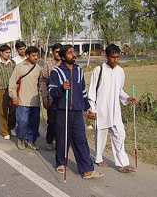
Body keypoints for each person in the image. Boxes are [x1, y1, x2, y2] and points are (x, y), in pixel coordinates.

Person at [49, 45, 104, 179]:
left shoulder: (79, 71)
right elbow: (52, 92)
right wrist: (62, 88)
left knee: (81, 140)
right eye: (70, 53)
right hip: (63, 110)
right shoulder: (56, 72)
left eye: (73, 52)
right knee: (63, 138)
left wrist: (88, 107)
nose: (73, 55)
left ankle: (86, 169)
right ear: (62, 57)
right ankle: (61, 163)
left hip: (77, 110)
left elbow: (82, 91)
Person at [87, 44, 136, 173]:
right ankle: (98, 158)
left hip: (115, 109)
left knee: (120, 134)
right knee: (101, 134)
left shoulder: (120, 71)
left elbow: (119, 90)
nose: (115, 60)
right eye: (113, 57)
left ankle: (122, 163)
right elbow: (92, 91)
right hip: (101, 108)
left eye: (117, 57)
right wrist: (93, 108)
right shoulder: (99, 70)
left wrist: (127, 98)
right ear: (106, 56)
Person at [9, 46, 41, 150]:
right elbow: (12, 82)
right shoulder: (19, 67)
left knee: (34, 123)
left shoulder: (38, 68)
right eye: (33, 55)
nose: (35, 58)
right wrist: (14, 96)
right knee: (23, 121)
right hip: (22, 100)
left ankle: (31, 141)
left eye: (37, 55)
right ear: (27, 56)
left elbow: (41, 84)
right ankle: (21, 138)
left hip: (35, 101)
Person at [39, 43, 62, 150]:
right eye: (56, 51)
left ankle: (60, 141)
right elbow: (43, 81)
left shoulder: (66, 64)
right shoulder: (48, 65)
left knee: (62, 122)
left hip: (63, 99)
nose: (58, 53)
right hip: (52, 98)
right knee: (52, 121)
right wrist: (44, 98)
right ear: (52, 52)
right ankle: (49, 140)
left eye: (60, 51)